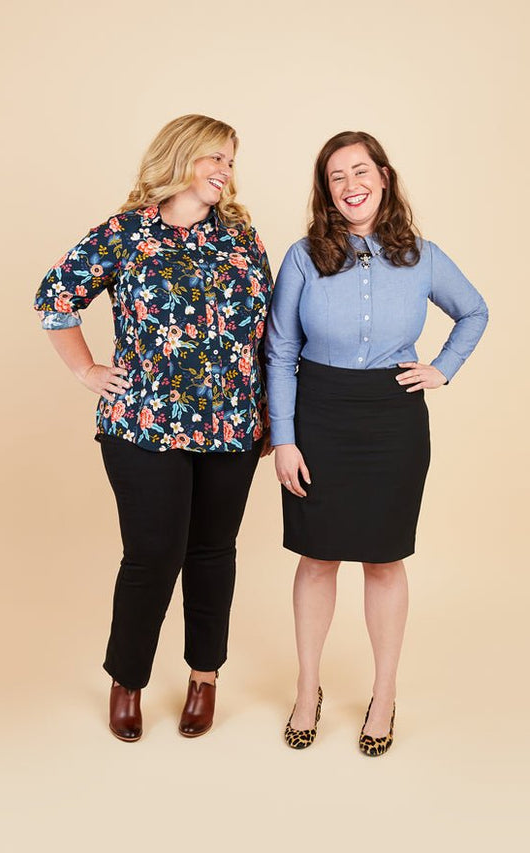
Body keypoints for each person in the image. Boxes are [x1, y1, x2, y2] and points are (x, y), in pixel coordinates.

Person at [34, 114, 273, 742]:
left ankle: (204, 677)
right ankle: (128, 679)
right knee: (153, 554)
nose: (225, 171)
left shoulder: (242, 237)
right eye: (214, 157)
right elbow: (54, 297)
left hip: (233, 425)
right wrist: (86, 369)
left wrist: (271, 413)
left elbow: (270, 331)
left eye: (230, 161)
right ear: (180, 157)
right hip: (145, 424)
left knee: (213, 552)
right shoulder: (124, 233)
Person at [265, 130, 488, 754]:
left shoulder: (423, 256)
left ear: (384, 177)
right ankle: (307, 689)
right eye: (336, 176)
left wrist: (442, 367)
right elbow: (279, 349)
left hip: (393, 419)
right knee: (317, 557)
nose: (351, 185)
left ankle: (384, 695)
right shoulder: (303, 257)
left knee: (385, 560)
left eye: (361, 171)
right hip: (319, 415)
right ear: (326, 191)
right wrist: (284, 438)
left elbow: (474, 311)